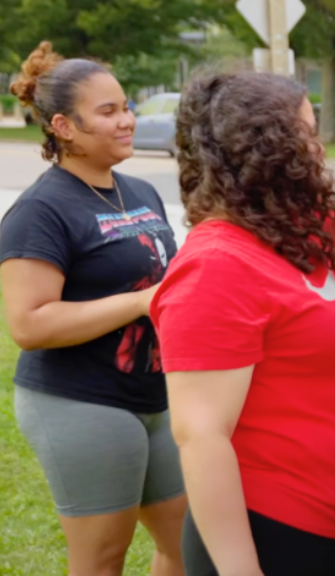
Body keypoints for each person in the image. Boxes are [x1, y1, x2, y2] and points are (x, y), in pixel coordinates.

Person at [151, 71, 335, 576]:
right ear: (268, 150)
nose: (317, 148)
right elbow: (201, 435)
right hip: (276, 532)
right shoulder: (216, 265)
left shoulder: (292, 233)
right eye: (307, 132)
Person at [1, 42, 186, 576]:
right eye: (108, 112)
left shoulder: (141, 193)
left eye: (126, 106)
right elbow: (29, 324)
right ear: (63, 125)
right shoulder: (41, 210)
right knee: (102, 558)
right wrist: (141, 302)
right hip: (80, 402)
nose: (127, 120)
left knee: (185, 542)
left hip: (157, 394)